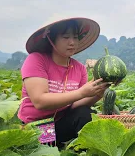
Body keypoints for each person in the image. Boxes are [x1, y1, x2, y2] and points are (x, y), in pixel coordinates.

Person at [18, 17, 110, 148]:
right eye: (66, 37)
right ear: (51, 39)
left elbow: (75, 105)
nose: (72, 42)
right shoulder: (36, 60)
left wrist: (98, 92)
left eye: (76, 37)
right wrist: (81, 92)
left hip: (59, 126)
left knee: (85, 113)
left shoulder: (79, 68)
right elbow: (40, 101)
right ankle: (50, 152)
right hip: (35, 130)